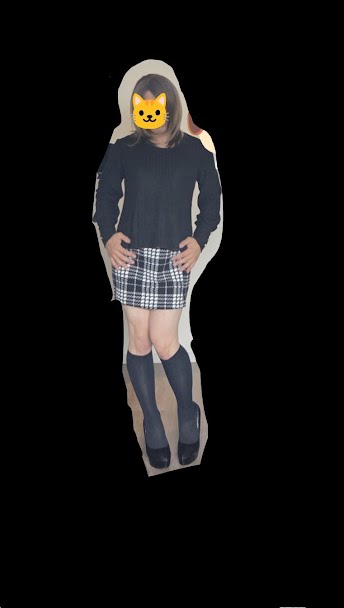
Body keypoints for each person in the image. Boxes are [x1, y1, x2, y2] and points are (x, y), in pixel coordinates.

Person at [93, 72, 221, 469]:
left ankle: (187, 411)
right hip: (130, 256)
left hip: (173, 259)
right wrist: (109, 235)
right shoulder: (123, 148)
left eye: (155, 104)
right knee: (139, 341)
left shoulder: (196, 150)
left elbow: (212, 201)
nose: (149, 112)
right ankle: (151, 420)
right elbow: (106, 195)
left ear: (169, 105)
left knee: (165, 342)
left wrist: (199, 239)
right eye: (141, 105)